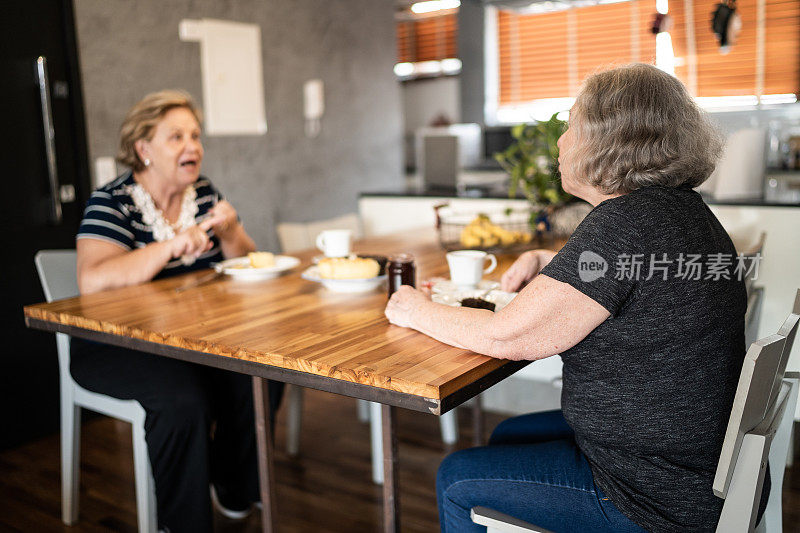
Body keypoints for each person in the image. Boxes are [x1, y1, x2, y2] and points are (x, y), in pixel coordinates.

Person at [386, 63, 761, 532]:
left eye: (569, 124)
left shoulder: (624, 223)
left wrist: (415, 310)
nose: (560, 141)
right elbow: (636, 278)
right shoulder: (678, 211)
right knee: (505, 435)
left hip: (652, 495)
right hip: (687, 464)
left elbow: (509, 336)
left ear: (608, 141)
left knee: (456, 480)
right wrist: (553, 261)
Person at [72, 89, 282, 533]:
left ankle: (233, 486)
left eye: (196, 136)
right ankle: (181, 523)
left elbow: (247, 256)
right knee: (182, 399)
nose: (193, 147)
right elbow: (91, 280)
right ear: (143, 149)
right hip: (116, 344)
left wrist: (231, 230)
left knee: (264, 372)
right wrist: (170, 246)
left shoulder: (203, 193)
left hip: (191, 338)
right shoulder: (112, 201)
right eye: (177, 137)